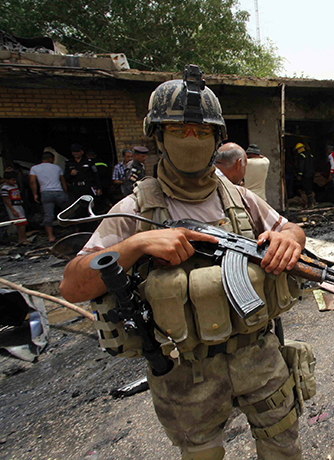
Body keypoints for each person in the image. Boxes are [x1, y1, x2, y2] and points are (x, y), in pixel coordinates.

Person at [60, 65, 306, 460]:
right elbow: (72, 285)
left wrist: (286, 240)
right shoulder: (136, 208)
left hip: (259, 357)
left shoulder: (239, 198)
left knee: (283, 448)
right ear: (158, 137)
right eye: (178, 132)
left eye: (202, 132)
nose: (191, 140)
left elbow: (291, 229)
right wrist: (136, 245)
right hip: (185, 374)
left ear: (216, 139)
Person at [29, 150, 70, 242]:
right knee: (67, 212)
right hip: (59, 192)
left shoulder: (34, 168)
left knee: (48, 215)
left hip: (45, 193)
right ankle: (71, 232)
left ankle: (51, 237)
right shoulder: (57, 167)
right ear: (51, 159)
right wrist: (66, 192)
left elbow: (32, 182)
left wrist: (35, 194)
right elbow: (63, 181)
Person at [2, 171, 28, 244]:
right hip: (13, 207)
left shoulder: (15, 186)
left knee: (23, 223)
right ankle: (21, 239)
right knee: (20, 223)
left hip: (19, 205)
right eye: (12, 180)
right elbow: (6, 200)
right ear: (6, 180)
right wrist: (13, 210)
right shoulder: (5, 188)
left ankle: (23, 238)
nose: (14, 181)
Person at [295, 142, 315, 208]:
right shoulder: (310, 154)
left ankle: (310, 204)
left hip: (306, 175)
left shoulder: (301, 156)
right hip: (311, 174)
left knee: (307, 189)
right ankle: (311, 203)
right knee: (310, 188)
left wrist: (299, 174)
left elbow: (301, 166)